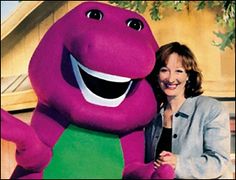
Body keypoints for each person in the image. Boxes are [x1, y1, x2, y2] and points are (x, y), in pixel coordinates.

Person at [145, 42, 233, 179]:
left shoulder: (212, 109)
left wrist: (178, 164)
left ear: (188, 76)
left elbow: (219, 162)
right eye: (164, 70)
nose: (170, 78)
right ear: (157, 75)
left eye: (178, 71)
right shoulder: (152, 116)